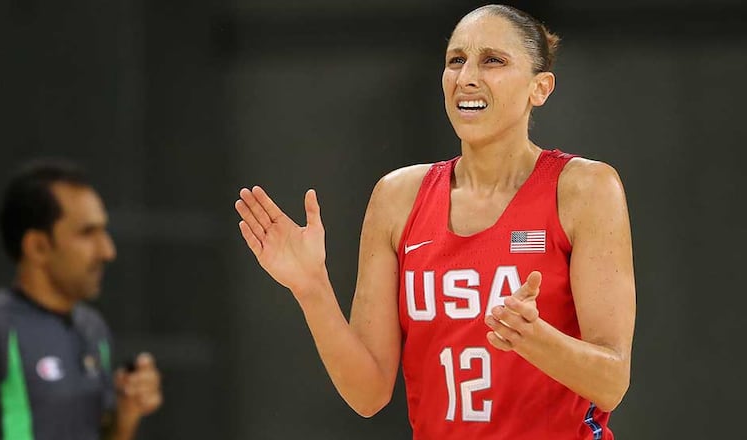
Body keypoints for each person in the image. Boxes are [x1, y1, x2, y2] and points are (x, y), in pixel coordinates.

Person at [235, 4, 635, 439]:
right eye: (456, 60)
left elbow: (611, 383)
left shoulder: (585, 189)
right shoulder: (397, 197)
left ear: (540, 88)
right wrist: (311, 287)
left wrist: (533, 337)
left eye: (493, 60)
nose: (467, 77)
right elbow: (368, 394)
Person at [0, 161, 163, 440]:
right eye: (87, 233)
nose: (107, 250)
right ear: (38, 247)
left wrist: (127, 415)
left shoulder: (93, 328)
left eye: (104, 232)